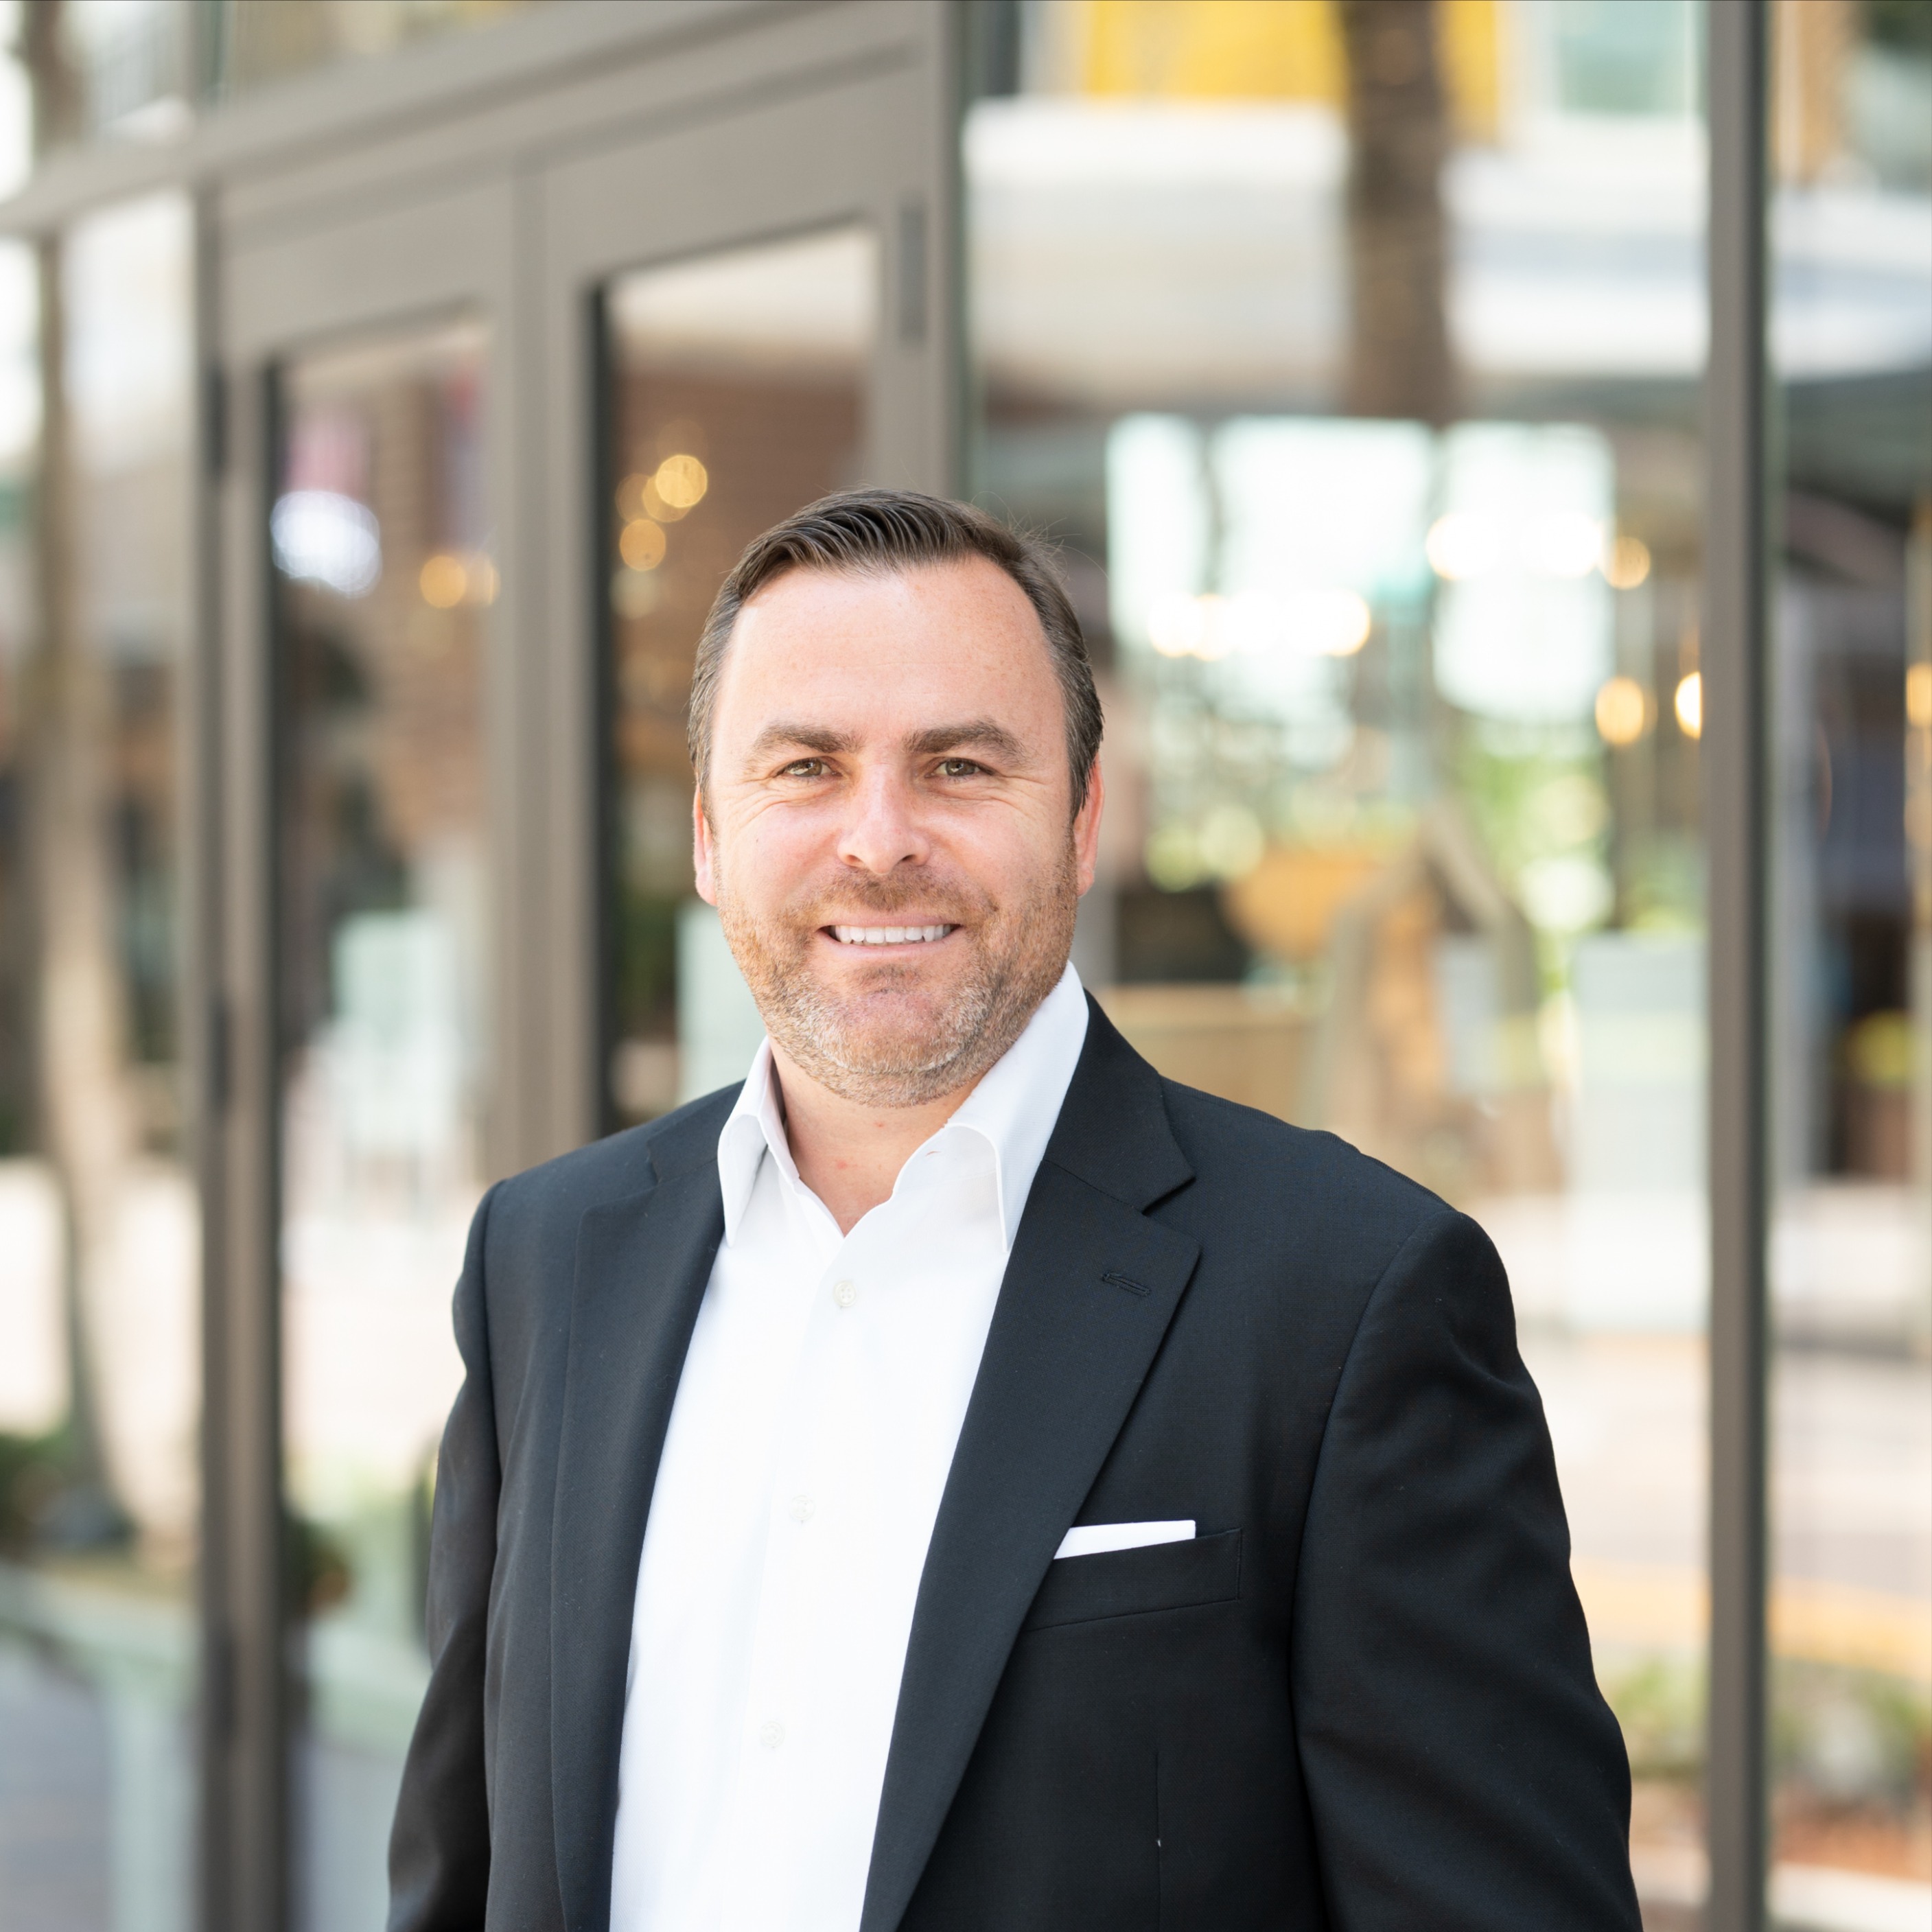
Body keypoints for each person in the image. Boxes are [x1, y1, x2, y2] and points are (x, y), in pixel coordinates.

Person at [388, 489, 1641, 1932]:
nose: (878, 841)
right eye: (805, 767)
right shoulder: (547, 1261)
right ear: (708, 836)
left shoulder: (1350, 1299)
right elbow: (464, 1871)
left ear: (1083, 819)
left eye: (960, 766)